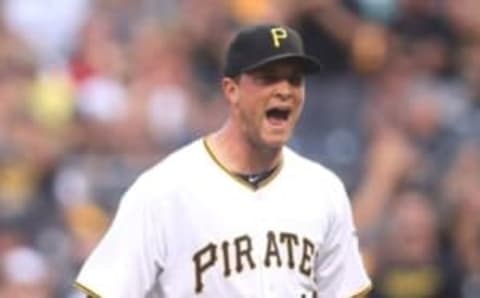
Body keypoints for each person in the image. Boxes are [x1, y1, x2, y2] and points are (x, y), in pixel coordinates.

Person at [74, 23, 371, 298]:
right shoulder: (164, 190)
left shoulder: (323, 190)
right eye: (268, 78)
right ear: (232, 90)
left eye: (295, 80)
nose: (285, 90)